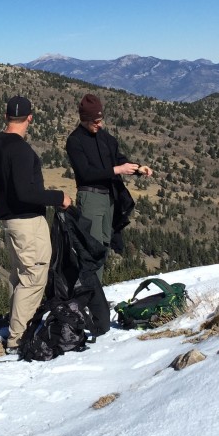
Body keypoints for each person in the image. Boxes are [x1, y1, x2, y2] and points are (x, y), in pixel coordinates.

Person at [0, 96, 73, 354]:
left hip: (10, 223)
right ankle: (18, 340)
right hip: (28, 222)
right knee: (33, 278)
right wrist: (59, 197)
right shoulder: (21, 150)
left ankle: (16, 327)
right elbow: (26, 194)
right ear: (30, 117)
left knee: (19, 276)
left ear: (5, 116)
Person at [64, 93, 152, 317]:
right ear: (84, 119)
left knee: (102, 248)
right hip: (90, 196)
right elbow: (85, 173)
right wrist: (116, 170)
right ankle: (87, 300)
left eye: (100, 120)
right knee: (91, 249)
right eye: (95, 121)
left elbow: (119, 157)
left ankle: (97, 297)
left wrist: (137, 168)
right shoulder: (75, 141)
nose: (99, 124)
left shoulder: (105, 138)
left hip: (108, 198)